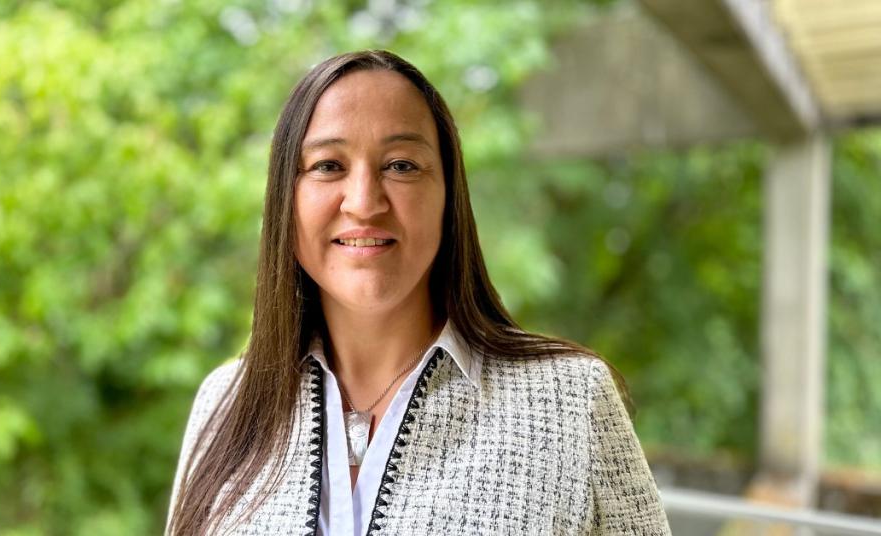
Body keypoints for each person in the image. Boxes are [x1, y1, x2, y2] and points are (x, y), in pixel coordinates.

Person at [166, 49, 671, 535]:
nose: (364, 203)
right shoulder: (224, 404)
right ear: (285, 199)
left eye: (401, 165)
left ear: (448, 196)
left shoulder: (570, 402)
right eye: (328, 166)